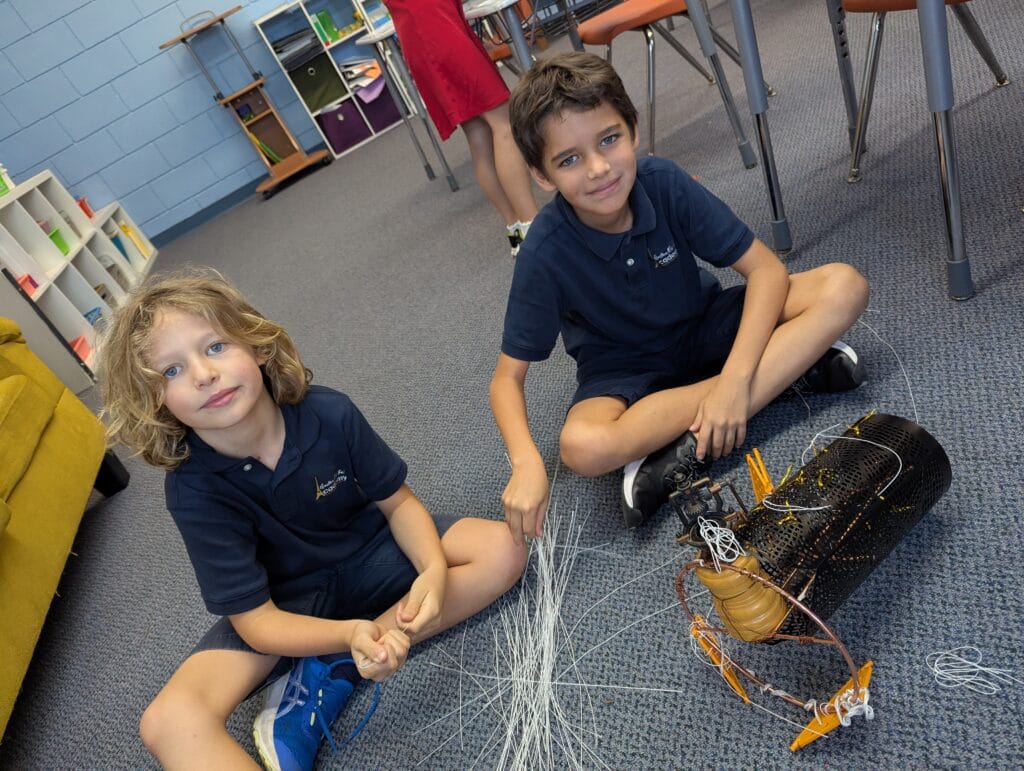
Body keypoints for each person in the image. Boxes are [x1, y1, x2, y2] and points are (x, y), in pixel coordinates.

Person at [98, 270, 527, 771]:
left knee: (505, 548)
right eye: (170, 372)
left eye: (215, 347)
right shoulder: (192, 489)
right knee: (167, 721)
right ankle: (339, 652)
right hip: (287, 607)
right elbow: (256, 622)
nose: (202, 375)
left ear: (257, 345)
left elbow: (400, 505)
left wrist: (431, 570)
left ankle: (335, 669)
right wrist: (344, 631)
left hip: (373, 555)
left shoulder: (330, 412)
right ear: (156, 403)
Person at [489, 52, 871, 543]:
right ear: (543, 176)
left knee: (844, 285)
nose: (600, 168)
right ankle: (790, 370)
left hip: (705, 327)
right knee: (582, 447)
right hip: (624, 371)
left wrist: (734, 383)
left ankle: (689, 438)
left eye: (609, 139)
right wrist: (524, 464)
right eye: (569, 159)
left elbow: (766, 271)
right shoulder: (543, 250)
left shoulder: (662, 181)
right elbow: (506, 380)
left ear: (633, 129)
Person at [383, 0, 538, 255]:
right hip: (440, 35)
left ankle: (515, 230)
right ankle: (533, 225)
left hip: (423, 39)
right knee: (503, 126)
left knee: (479, 134)